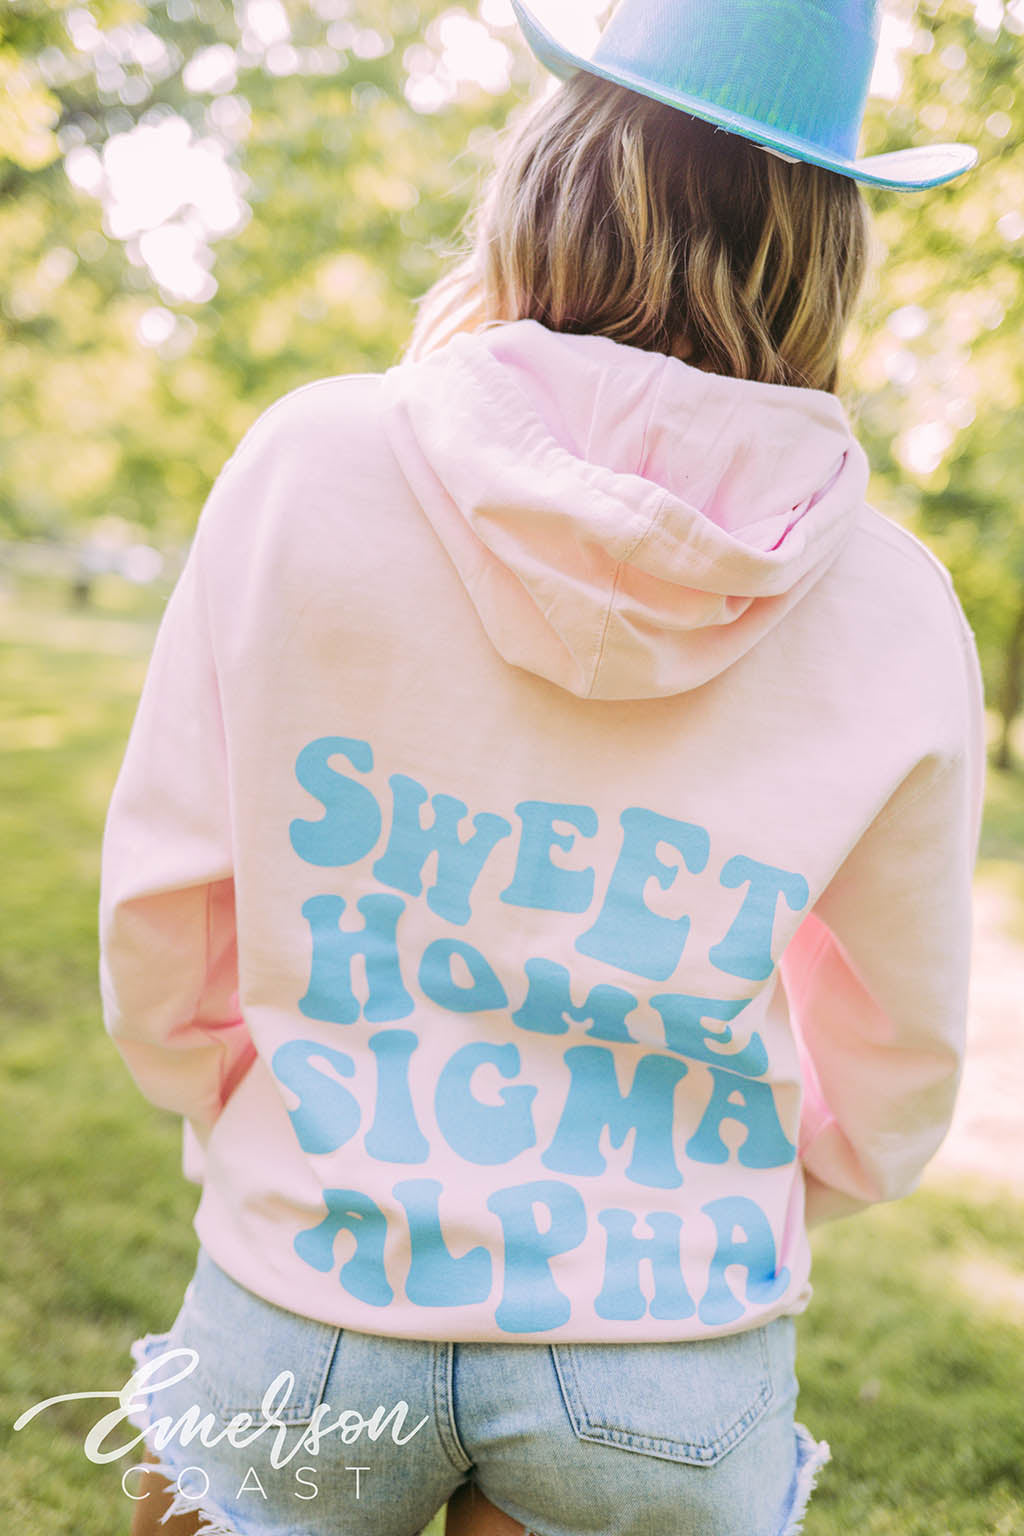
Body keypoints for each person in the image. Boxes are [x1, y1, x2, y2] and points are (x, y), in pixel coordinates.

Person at [99, 2, 984, 1534]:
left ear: (549, 179)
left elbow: (164, 912)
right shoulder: (896, 609)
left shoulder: (311, 466)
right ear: (829, 253)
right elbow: (902, 1049)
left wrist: (259, 1120)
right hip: (672, 1346)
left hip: (310, 1285)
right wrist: (730, 1208)